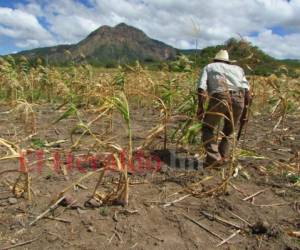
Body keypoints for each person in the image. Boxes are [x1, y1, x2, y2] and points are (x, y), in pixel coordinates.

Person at [197, 49, 251, 168]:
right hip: (239, 98)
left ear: (215, 59)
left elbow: (201, 88)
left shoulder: (209, 67)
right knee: (229, 130)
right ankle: (223, 157)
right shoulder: (238, 69)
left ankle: (214, 158)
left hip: (220, 97)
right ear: (228, 62)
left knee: (208, 128)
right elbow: (247, 92)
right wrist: (245, 114)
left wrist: (200, 108)